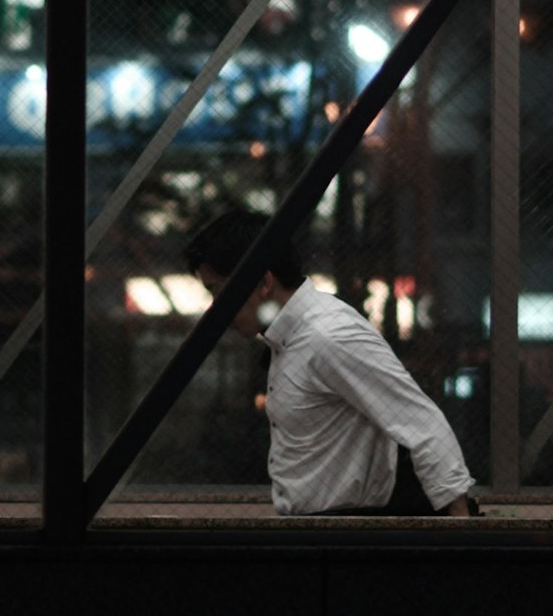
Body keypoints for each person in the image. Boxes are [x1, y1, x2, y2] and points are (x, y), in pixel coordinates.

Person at [184, 209, 479, 518]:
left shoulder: (328, 336)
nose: (216, 308)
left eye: (218, 291)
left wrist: (461, 531)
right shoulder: (290, 339)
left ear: (264, 282)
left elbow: (420, 422)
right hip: (324, 531)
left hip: (349, 535)